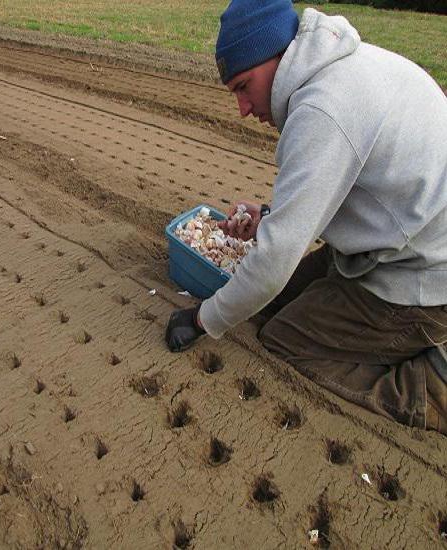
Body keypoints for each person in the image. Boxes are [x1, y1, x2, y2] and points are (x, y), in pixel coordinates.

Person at [165, 0, 447, 435]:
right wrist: (270, 216)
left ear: (275, 55)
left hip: (424, 278)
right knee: (276, 303)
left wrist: (203, 320)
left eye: (244, 86)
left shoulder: (323, 109)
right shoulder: (341, 67)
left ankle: (429, 385)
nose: (243, 108)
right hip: (401, 241)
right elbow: (348, 188)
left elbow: (275, 261)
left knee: (284, 336)